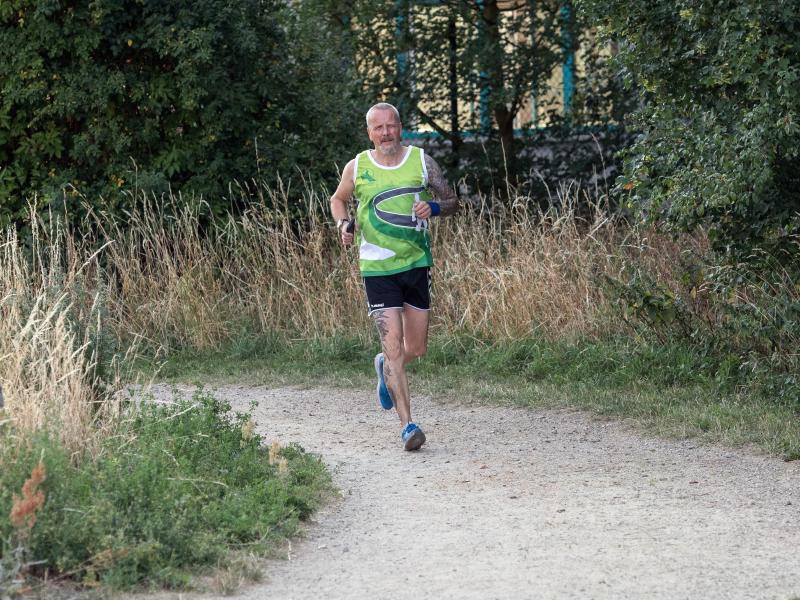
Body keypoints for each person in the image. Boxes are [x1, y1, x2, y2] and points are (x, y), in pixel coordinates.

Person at [330, 102, 459, 451]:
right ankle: (408, 426)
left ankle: (385, 368)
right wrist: (343, 224)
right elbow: (338, 199)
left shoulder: (421, 162)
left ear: (401, 127)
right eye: (378, 127)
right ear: (369, 132)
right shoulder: (357, 166)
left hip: (417, 263)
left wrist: (432, 207)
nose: (386, 132)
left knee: (415, 348)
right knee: (393, 348)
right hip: (377, 268)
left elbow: (452, 202)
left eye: (391, 126)